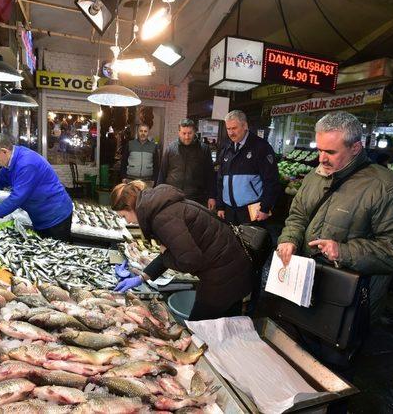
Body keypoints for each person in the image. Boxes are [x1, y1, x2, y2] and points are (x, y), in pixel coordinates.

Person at [276, 111, 393, 322]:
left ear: (355, 147)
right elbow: (298, 215)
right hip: (306, 286)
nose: (321, 158)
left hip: (350, 300)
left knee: (334, 352)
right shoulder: (314, 177)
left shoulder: (385, 187)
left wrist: (343, 251)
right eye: (319, 150)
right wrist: (289, 239)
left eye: (331, 152)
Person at [110, 181, 254, 320]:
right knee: (228, 326)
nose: (127, 222)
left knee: (200, 328)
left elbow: (190, 261)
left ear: (130, 206)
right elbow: (174, 251)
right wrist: (142, 277)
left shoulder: (162, 218)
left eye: (124, 216)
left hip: (224, 275)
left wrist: (166, 254)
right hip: (234, 267)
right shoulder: (161, 207)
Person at [0, 133, 73, 242]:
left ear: (4, 151)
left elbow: (17, 198)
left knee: (56, 254)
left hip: (56, 216)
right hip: (40, 216)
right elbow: (0, 179)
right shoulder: (12, 159)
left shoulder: (26, 164)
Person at [216, 110, 280, 225]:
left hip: (252, 210)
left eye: (234, 128)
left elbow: (271, 181)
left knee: (251, 242)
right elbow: (220, 180)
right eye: (228, 129)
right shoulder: (226, 149)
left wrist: (265, 208)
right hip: (229, 210)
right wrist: (220, 206)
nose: (231, 133)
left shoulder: (261, 147)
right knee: (230, 242)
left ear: (245, 126)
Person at [157, 119, 216, 209]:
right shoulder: (170, 148)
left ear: (194, 132)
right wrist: (158, 193)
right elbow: (162, 173)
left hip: (196, 198)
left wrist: (211, 196)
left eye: (190, 133)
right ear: (179, 132)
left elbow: (210, 175)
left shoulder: (204, 149)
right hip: (172, 197)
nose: (187, 137)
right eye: (184, 133)